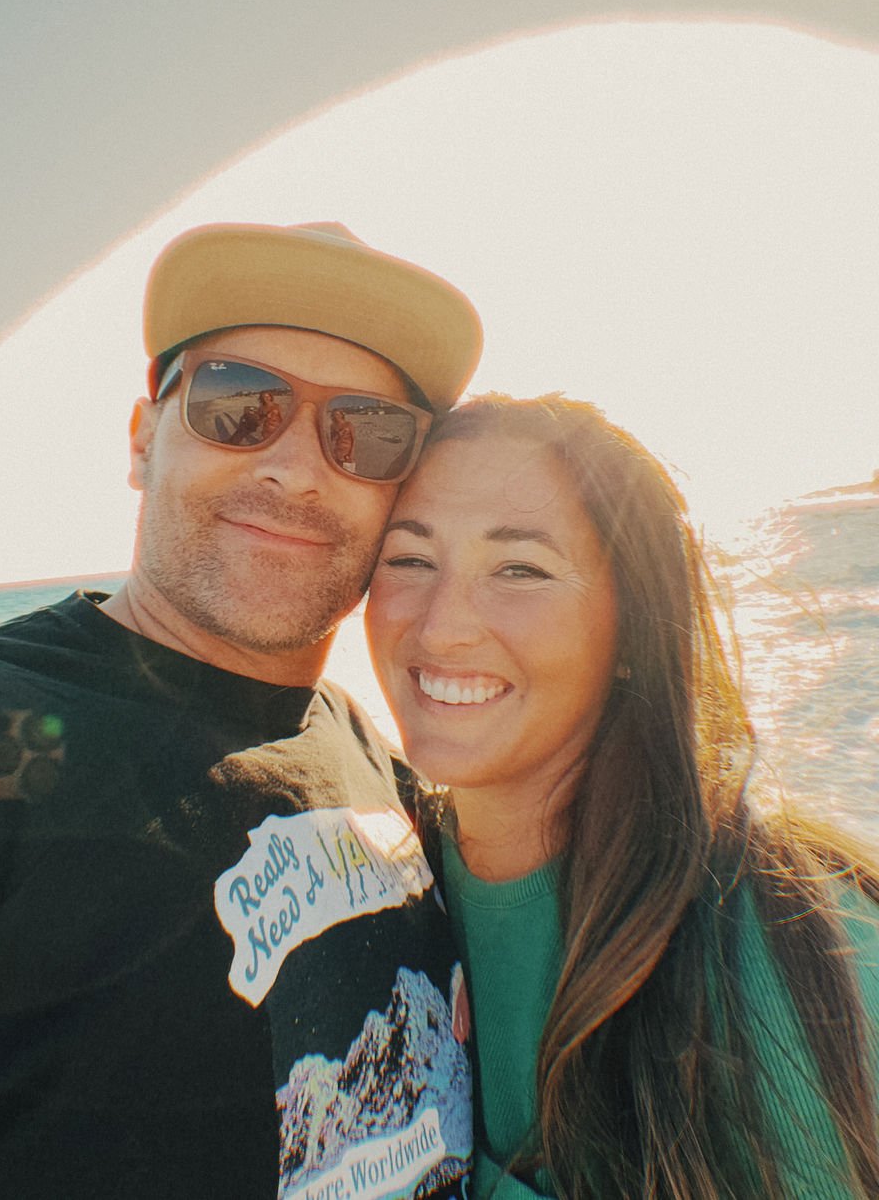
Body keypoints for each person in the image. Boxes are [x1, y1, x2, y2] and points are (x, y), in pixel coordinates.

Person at [0, 221, 483, 1199]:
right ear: (145, 438)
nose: (297, 468)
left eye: (365, 432)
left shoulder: (371, 753)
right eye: (240, 406)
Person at [365, 393, 879, 1200]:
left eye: (520, 568)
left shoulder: (795, 946)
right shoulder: (364, 911)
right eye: (408, 558)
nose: (442, 626)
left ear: (633, 623)